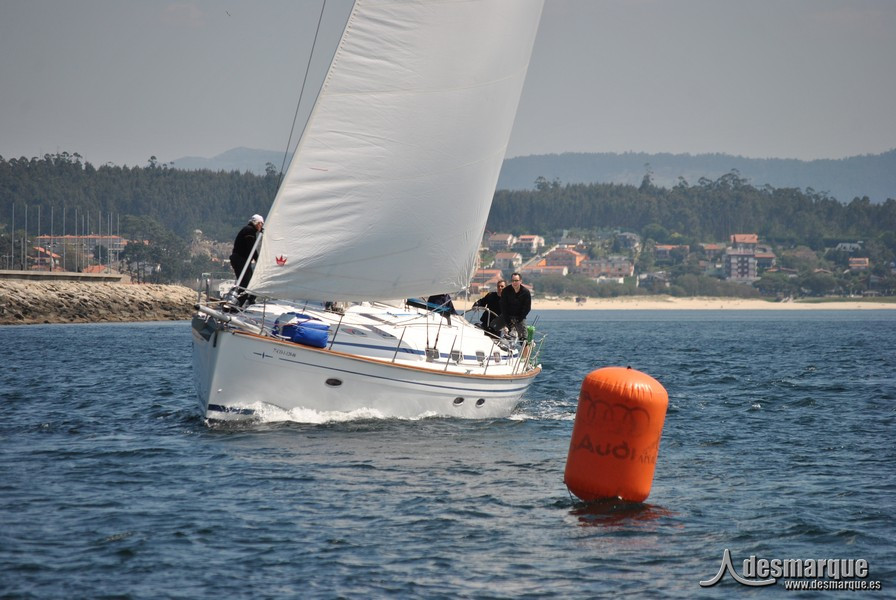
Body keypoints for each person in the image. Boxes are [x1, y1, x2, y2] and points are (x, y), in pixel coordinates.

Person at [229, 214, 264, 306]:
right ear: (258, 223)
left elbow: (251, 248)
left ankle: (248, 301)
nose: (262, 226)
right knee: (246, 283)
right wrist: (259, 260)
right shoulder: (250, 230)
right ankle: (240, 304)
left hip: (240, 259)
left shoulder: (249, 230)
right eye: (262, 224)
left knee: (248, 281)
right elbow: (251, 248)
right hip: (240, 259)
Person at [498, 272, 531, 341]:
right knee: (496, 330)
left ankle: (525, 348)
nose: (514, 282)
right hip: (507, 316)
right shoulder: (506, 291)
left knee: (524, 338)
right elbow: (503, 306)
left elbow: (527, 308)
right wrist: (508, 320)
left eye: (516, 280)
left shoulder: (526, 292)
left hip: (520, 318)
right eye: (512, 281)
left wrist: (519, 319)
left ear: (520, 281)